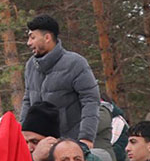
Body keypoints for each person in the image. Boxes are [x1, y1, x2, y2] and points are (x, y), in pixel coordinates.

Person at [19, 15, 101, 150]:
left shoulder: (75, 63)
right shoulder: (30, 66)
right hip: (37, 146)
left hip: (69, 144)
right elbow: (27, 101)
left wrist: (86, 138)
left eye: (32, 37)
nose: (28, 43)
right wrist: (23, 134)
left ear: (47, 38)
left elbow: (91, 100)